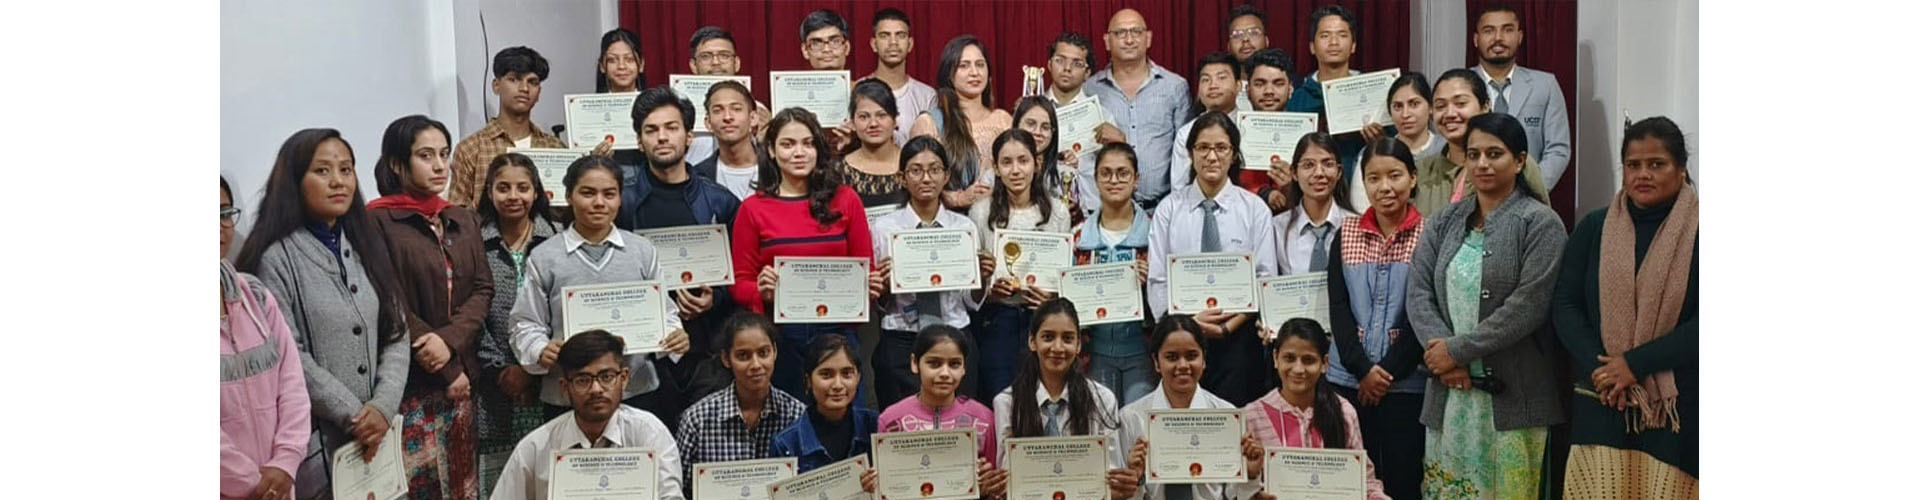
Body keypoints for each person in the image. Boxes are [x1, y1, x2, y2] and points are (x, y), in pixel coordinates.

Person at [235, 129, 410, 499]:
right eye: (322, 171)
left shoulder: (366, 243)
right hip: (319, 445)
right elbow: (289, 355)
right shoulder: (275, 258)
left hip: (378, 435)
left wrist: (382, 407)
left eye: (346, 169)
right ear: (295, 181)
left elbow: (397, 331)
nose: (338, 181)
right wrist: (354, 414)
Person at [1408, 113, 1567, 500]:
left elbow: (1528, 307)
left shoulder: (1541, 224)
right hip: (1450, 392)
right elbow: (1418, 292)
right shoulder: (1444, 221)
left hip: (1514, 398)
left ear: (1519, 160)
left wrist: (1456, 351)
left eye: (1495, 154)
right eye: (1474, 154)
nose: (1482, 163)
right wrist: (1442, 354)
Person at [1552, 117, 1697, 498]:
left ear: (1681, 168)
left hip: (1675, 409)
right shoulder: (1594, 228)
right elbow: (1565, 305)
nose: (1642, 174)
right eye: (1633, 165)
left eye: (1656, 164)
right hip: (1602, 400)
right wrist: (1603, 370)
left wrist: (1634, 364)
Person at [506, 156, 693, 423]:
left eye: (609, 194)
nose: (599, 202)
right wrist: (539, 349)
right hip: (568, 396)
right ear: (568, 196)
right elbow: (525, 322)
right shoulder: (545, 256)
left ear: (620, 198)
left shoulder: (642, 250)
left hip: (636, 391)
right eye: (587, 193)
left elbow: (665, 313)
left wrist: (674, 335)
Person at [367, 115, 493, 499]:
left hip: (463, 379)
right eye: (426, 156)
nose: (440, 165)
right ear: (396, 163)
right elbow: (387, 298)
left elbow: (483, 288)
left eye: (444, 154)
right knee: (419, 487)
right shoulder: (376, 221)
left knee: (463, 486)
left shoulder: (462, 217)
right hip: (411, 381)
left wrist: (450, 344)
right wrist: (444, 363)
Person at [729, 108, 877, 398]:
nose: (799, 153)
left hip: (839, 333)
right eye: (788, 144)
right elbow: (739, 281)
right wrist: (761, 291)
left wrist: (870, 285)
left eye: (808, 144)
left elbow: (866, 269)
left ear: (818, 150)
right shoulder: (752, 208)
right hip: (782, 337)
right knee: (790, 419)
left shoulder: (846, 199)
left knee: (847, 417)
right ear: (771, 151)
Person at [1146, 112, 1278, 407]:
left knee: (1234, 421)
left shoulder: (1254, 209)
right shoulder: (1169, 210)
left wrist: (1226, 327)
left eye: (1221, 147)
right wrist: (1188, 325)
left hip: (1239, 339)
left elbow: (1264, 277)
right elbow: (1157, 279)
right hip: (1182, 339)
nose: (1212, 156)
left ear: (1234, 154)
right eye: (1203, 147)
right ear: (1190, 154)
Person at [1323, 137, 1428, 500]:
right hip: (1348, 380)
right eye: (1373, 177)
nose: (1385, 187)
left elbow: (1424, 312)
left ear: (1413, 178)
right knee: (1350, 481)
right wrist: (1362, 369)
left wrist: (1384, 374)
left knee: (1404, 478)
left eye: (1395, 175)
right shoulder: (1346, 233)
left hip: (1407, 383)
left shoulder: (1429, 235)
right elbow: (1338, 308)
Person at [490, 331, 684, 500]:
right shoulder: (536, 447)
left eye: (606, 377)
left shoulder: (650, 434)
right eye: (583, 380)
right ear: (565, 387)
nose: (596, 389)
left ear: (624, 379)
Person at [869, 137, 991, 405]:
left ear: (946, 175)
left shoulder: (963, 228)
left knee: (957, 421)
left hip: (955, 334)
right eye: (916, 170)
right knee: (902, 422)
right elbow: (879, 303)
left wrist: (982, 278)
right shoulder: (883, 229)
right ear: (902, 178)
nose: (926, 178)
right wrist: (884, 286)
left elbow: (970, 301)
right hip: (901, 338)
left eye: (935, 170)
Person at [472, 153, 565, 498]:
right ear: (489, 192)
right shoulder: (473, 242)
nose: (513, 196)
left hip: (549, 377)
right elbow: (468, 312)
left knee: (547, 477)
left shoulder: (557, 239)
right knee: (500, 483)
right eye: (503, 188)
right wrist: (502, 370)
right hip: (494, 384)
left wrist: (534, 367)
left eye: (522, 188)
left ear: (536, 191)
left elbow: (565, 309)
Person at [991, 298, 1137, 500]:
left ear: (1078, 345)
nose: (1057, 347)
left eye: (1067, 338)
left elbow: (1110, 474)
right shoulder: (1007, 402)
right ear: (1032, 341)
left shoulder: (1102, 398)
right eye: (1048, 337)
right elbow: (1007, 478)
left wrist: (1124, 485)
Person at [221, 178, 312, 500]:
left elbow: (292, 382)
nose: (218, 227)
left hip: (279, 485)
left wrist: (286, 461)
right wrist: (252, 483)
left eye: (223, 213)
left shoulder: (255, 296)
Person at [969, 130, 1073, 401]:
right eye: (1006, 162)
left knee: (1042, 399)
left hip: (1042, 320)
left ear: (1037, 164)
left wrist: (1051, 297)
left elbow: (1065, 277)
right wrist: (989, 287)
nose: (1015, 170)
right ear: (996, 168)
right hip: (997, 320)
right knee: (1000, 399)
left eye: (1023, 161)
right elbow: (972, 291)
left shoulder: (1058, 212)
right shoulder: (980, 212)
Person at [1234, 319, 1390, 500]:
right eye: (1289, 358)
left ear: (1325, 363)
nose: (1298, 369)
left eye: (1308, 360)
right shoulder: (1252, 416)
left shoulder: (1343, 412)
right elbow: (1236, 489)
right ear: (1275, 358)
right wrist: (1253, 490)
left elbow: (1365, 481)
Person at [1115, 315, 1261, 500]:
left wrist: (1250, 473)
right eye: (1172, 357)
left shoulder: (1226, 415)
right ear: (1156, 362)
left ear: (1204, 359)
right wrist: (1135, 479)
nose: (1183, 365)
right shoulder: (1131, 418)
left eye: (1191, 356)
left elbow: (1235, 495)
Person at [677, 313, 807, 497]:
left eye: (763, 353)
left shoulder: (797, 415)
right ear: (726, 359)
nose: (756, 365)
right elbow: (678, 489)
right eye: (743, 356)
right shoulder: (697, 420)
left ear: (775, 352)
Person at [876, 325, 1008, 496]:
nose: (945, 373)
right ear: (914, 363)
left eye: (954, 364)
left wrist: (985, 487)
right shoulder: (891, 420)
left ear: (964, 367)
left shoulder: (983, 418)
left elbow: (996, 487)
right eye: (934, 363)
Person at [1085, 8, 1191, 211]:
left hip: (1162, 209)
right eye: (1120, 33)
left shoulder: (1175, 86)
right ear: (1107, 41)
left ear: (1148, 38)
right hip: (1106, 209)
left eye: (1136, 32)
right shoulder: (1090, 89)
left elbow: (1186, 150)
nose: (1129, 39)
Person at [1070, 144, 1152, 406]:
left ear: (1136, 179)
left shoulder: (1155, 233)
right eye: (1105, 173)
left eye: (1122, 173)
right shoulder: (1077, 236)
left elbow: (1170, 295)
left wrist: (1151, 283)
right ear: (1095, 180)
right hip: (1093, 353)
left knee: (1139, 424)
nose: (1114, 180)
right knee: (1099, 422)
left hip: (1143, 350)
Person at [1411, 69, 1550, 218]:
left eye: (1460, 103)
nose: (1450, 113)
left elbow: (1542, 222)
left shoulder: (1514, 162)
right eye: (1440, 106)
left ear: (1485, 106)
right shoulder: (1422, 170)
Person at [451, 47, 567, 207]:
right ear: (496, 86)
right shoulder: (471, 149)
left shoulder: (555, 148)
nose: (524, 88)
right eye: (514, 79)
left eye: (532, 82)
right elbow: (456, 213)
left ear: (539, 93)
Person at [1472, 4, 1572, 187]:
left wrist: (1531, 189)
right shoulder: (1460, 86)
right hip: (1472, 194)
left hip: (1529, 195)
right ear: (1476, 39)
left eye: (1507, 30)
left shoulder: (1545, 85)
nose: (1498, 38)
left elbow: (1558, 149)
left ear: (1520, 37)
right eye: (1489, 31)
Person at [908, 35, 1012, 210]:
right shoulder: (930, 123)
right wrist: (958, 199)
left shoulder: (1003, 120)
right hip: (952, 220)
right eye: (964, 65)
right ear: (949, 74)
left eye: (980, 64)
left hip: (1001, 217)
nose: (974, 72)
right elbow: (918, 181)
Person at [771, 334, 880, 472]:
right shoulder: (787, 443)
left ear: (858, 378)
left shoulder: (876, 427)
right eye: (826, 374)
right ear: (808, 380)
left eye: (846, 373)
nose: (838, 385)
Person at [1043, 32, 1126, 211]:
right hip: (1044, 210)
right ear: (1049, 64)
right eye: (1060, 60)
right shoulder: (1033, 113)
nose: (1067, 68)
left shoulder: (1103, 116)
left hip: (1091, 210)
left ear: (1087, 72)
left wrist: (1120, 143)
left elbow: (1119, 168)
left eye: (1077, 63)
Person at [1172, 51, 1270, 192]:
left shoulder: (1255, 127)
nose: (1213, 85)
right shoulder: (1186, 133)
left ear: (1239, 86)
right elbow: (1179, 188)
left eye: (1222, 78)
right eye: (1205, 80)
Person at [1349, 72, 1443, 214]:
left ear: (1430, 107)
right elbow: (1361, 210)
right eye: (1398, 106)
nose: (1405, 114)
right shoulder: (1371, 153)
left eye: (1414, 104)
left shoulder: (1447, 148)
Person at [1271, 132, 1357, 276]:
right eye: (1308, 165)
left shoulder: (1357, 227)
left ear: (1339, 172)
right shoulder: (1277, 228)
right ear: (1294, 173)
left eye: (1328, 164)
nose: (1319, 173)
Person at [685, 26, 772, 166]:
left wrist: (769, 133)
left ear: (736, 63)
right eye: (706, 56)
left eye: (724, 55)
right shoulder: (679, 112)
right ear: (693, 65)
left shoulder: (757, 109)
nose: (716, 62)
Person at [1242, 47, 1302, 214]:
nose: (1269, 91)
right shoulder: (1232, 135)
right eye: (1260, 84)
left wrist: (1290, 187)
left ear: (1290, 89)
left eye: (1278, 83)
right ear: (1248, 90)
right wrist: (1262, 193)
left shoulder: (1307, 135)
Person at [865, 8, 936, 145]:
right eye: (885, 36)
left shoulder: (927, 96)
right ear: (874, 44)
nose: (893, 42)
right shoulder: (857, 91)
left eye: (900, 35)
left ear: (910, 44)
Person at [841, 79, 908, 215]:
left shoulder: (912, 166)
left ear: (895, 120)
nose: (873, 124)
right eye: (864, 117)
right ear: (852, 122)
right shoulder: (839, 171)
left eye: (881, 115)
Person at [690, 80, 763, 200]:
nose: (727, 117)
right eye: (718, 111)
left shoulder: (777, 169)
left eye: (736, 109)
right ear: (708, 123)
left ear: (753, 118)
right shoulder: (697, 177)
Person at [1009, 96, 1076, 222]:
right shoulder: (1000, 172)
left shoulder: (1066, 174)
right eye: (1031, 124)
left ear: (1053, 133)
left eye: (1045, 127)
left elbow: (1079, 222)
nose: (1037, 132)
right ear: (1016, 125)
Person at [592, 28, 649, 165]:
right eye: (613, 60)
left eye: (629, 59)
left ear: (641, 65)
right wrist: (594, 160)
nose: (621, 66)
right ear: (602, 66)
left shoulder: (655, 106)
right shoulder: (589, 112)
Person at [1223, 4, 1270, 112]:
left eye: (1253, 33)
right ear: (1229, 46)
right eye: (1237, 35)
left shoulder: (1291, 84)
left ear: (1266, 41)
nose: (1245, 40)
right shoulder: (1220, 89)